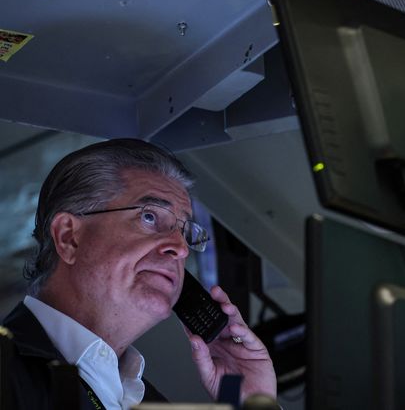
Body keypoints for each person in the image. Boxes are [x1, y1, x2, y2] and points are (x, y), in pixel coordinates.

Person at [1, 138, 277, 409]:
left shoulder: (143, 399)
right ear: (69, 237)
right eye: (150, 216)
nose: (181, 248)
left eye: (185, 232)